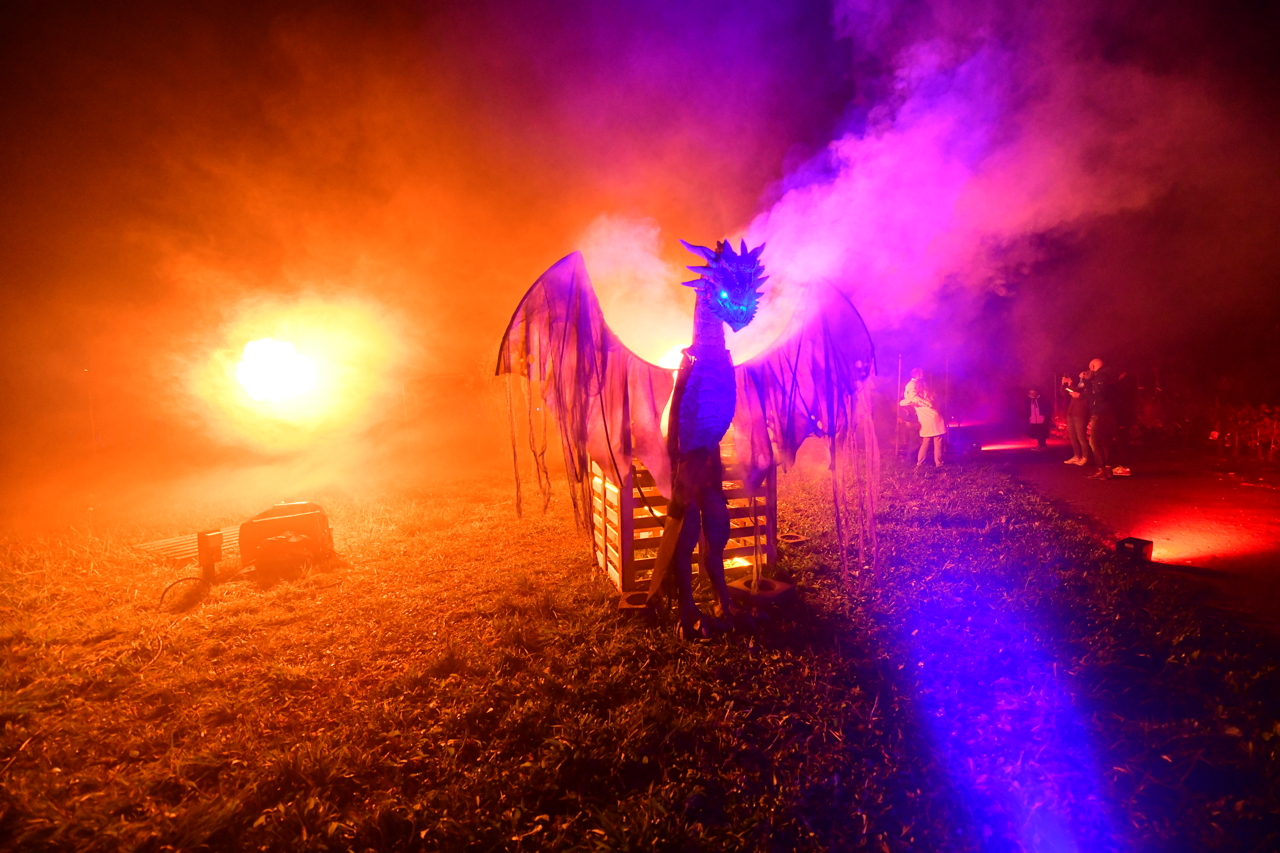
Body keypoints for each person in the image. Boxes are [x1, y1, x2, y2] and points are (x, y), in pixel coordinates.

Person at [901, 368, 946, 467]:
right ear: (916, 374)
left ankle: (921, 463)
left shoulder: (918, 387)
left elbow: (907, 400)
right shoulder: (913, 385)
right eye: (921, 373)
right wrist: (927, 403)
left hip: (928, 416)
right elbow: (911, 398)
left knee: (927, 442)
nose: (923, 374)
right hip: (930, 416)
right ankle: (938, 463)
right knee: (936, 441)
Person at [1085, 357, 1118, 480]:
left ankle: (1101, 469)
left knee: (1093, 441)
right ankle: (1108, 469)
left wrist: (1081, 395)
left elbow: (1099, 396)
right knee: (1105, 441)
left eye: (1090, 367)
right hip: (1109, 412)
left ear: (1093, 366)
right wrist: (1087, 381)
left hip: (1100, 413)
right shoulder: (1110, 376)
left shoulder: (1101, 377)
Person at [1062, 369, 1091, 465]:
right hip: (1071, 413)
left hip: (1081, 414)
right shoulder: (1078, 388)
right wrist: (1065, 384)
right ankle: (1076, 456)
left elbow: (1084, 395)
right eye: (1080, 377)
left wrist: (1072, 386)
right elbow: (1065, 393)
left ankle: (1085, 457)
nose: (1081, 378)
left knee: (1081, 437)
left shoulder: (1090, 388)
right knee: (1073, 437)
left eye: (1083, 376)